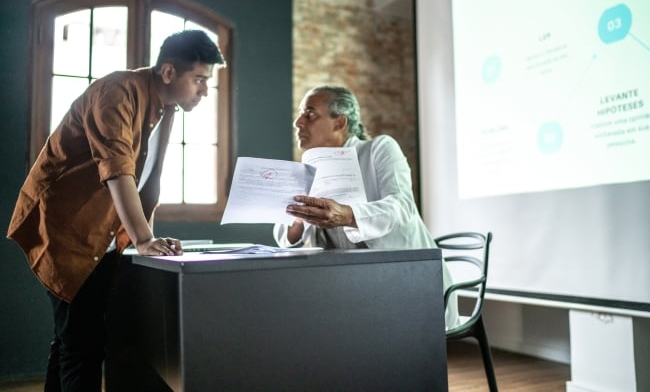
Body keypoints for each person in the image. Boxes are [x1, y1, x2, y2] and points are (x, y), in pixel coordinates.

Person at [7, 29, 226, 392]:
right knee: (83, 346)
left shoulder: (165, 106)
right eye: (199, 79)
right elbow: (118, 170)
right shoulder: (117, 92)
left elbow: (145, 182)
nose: (205, 90)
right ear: (169, 72)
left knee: (73, 341)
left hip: (105, 232)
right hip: (66, 228)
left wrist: (147, 238)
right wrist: (143, 239)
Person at [273, 85, 458, 326]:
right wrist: (297, 216)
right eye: (299, 114)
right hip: (346, 287)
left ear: (340, 122)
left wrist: (348, 215)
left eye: (310, 114)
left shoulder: (379, 149)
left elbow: (402, 206)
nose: (298, 122)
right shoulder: (307, 169)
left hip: (406, 280)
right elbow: (285, 237)